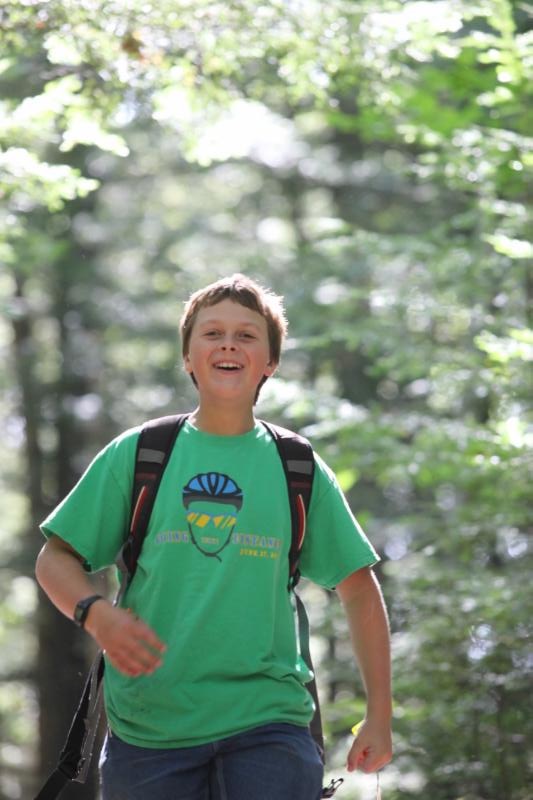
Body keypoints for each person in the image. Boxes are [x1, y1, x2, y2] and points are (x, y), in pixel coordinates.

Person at [35, 274, 393, 800]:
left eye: (246, 335)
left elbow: (358, 588)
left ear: (270, 362)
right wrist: (96, 613)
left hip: (270, 724)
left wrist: (380, 714)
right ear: (188, 357)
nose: (229, 344)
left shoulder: (298, 467)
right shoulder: (139, 454)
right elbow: (55, 557)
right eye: (212, 333)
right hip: (149, 729)